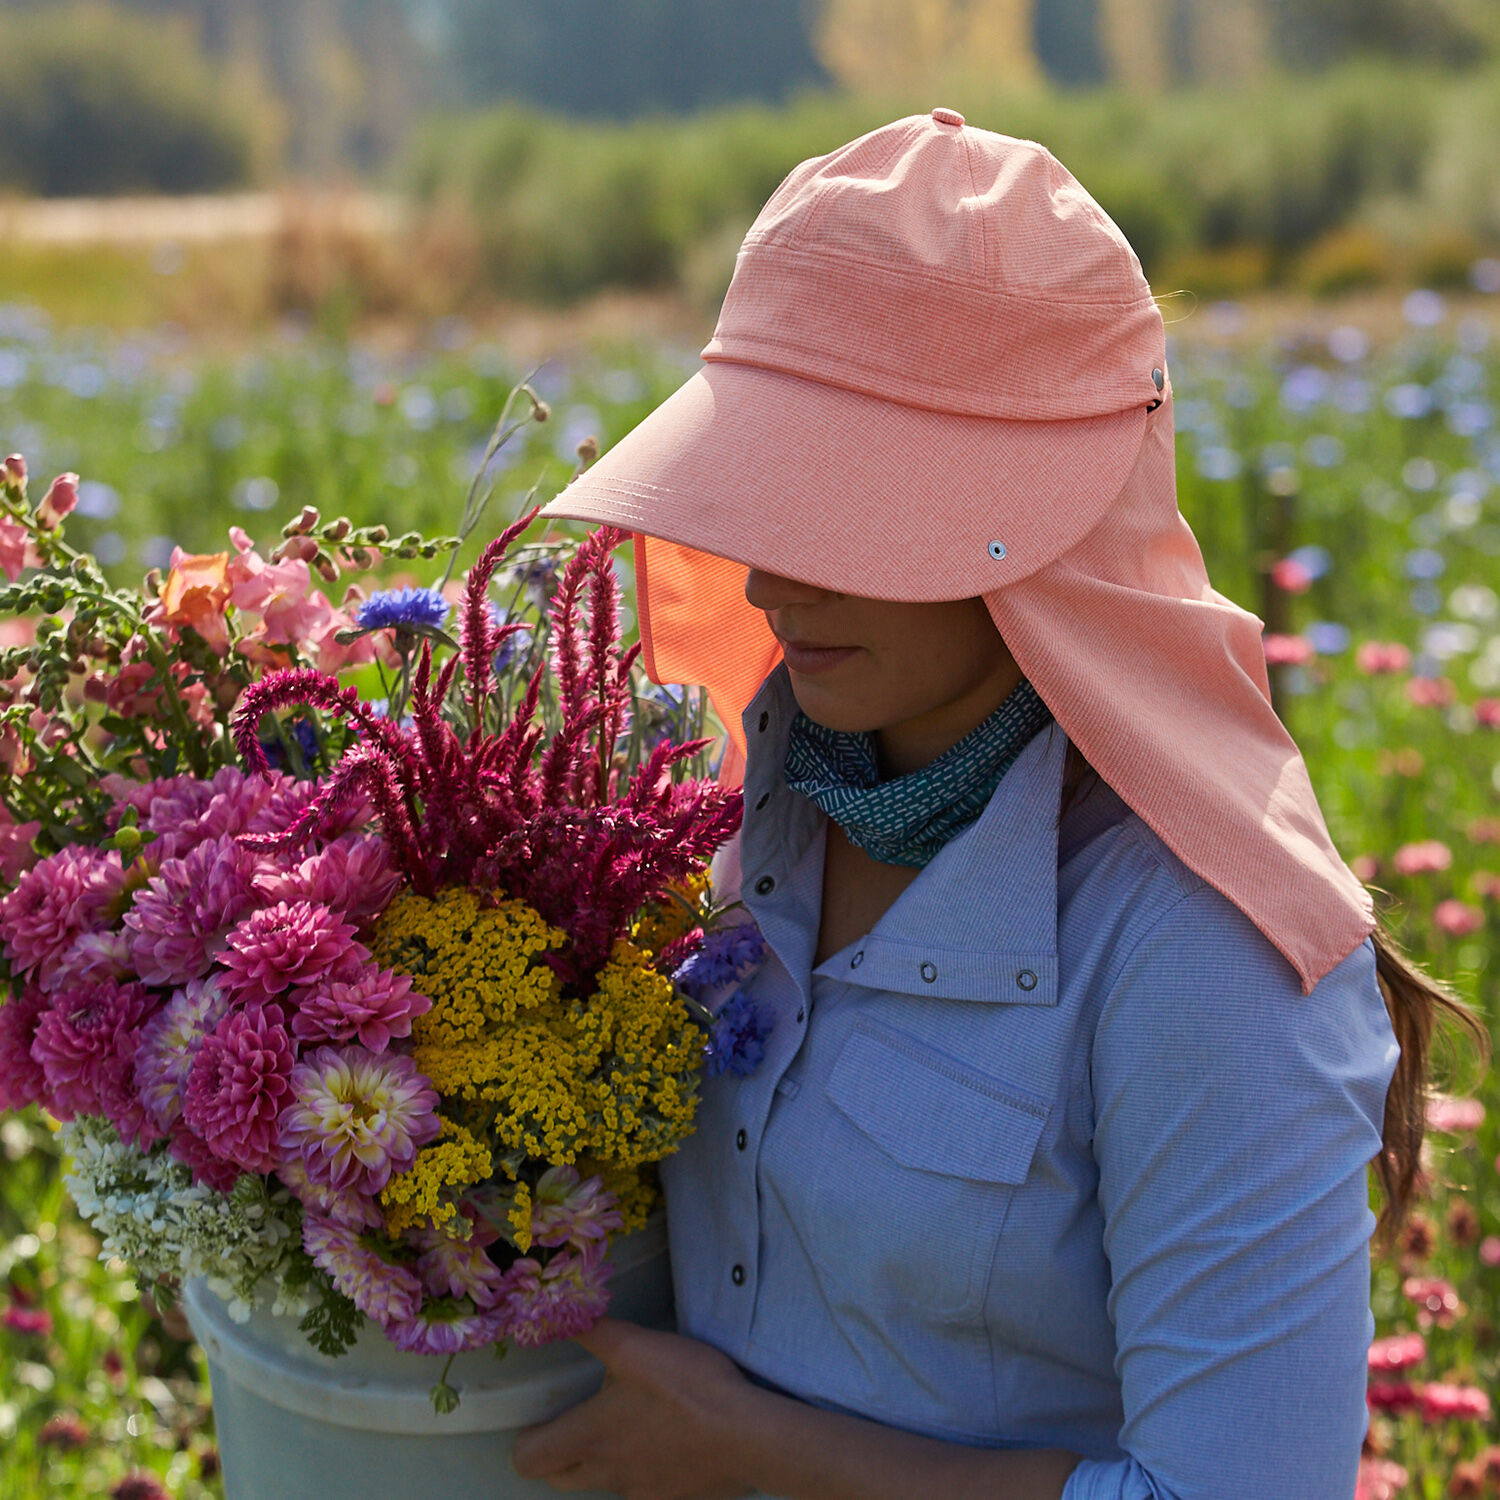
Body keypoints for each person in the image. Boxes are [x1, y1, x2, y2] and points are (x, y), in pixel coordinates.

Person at [510, 110, 1488, 1499]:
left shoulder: (1198, 955)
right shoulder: (746, 814)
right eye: (762, 482)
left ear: (1049, 533)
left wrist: (750, 1459)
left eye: (849, 504)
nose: (774, 575)